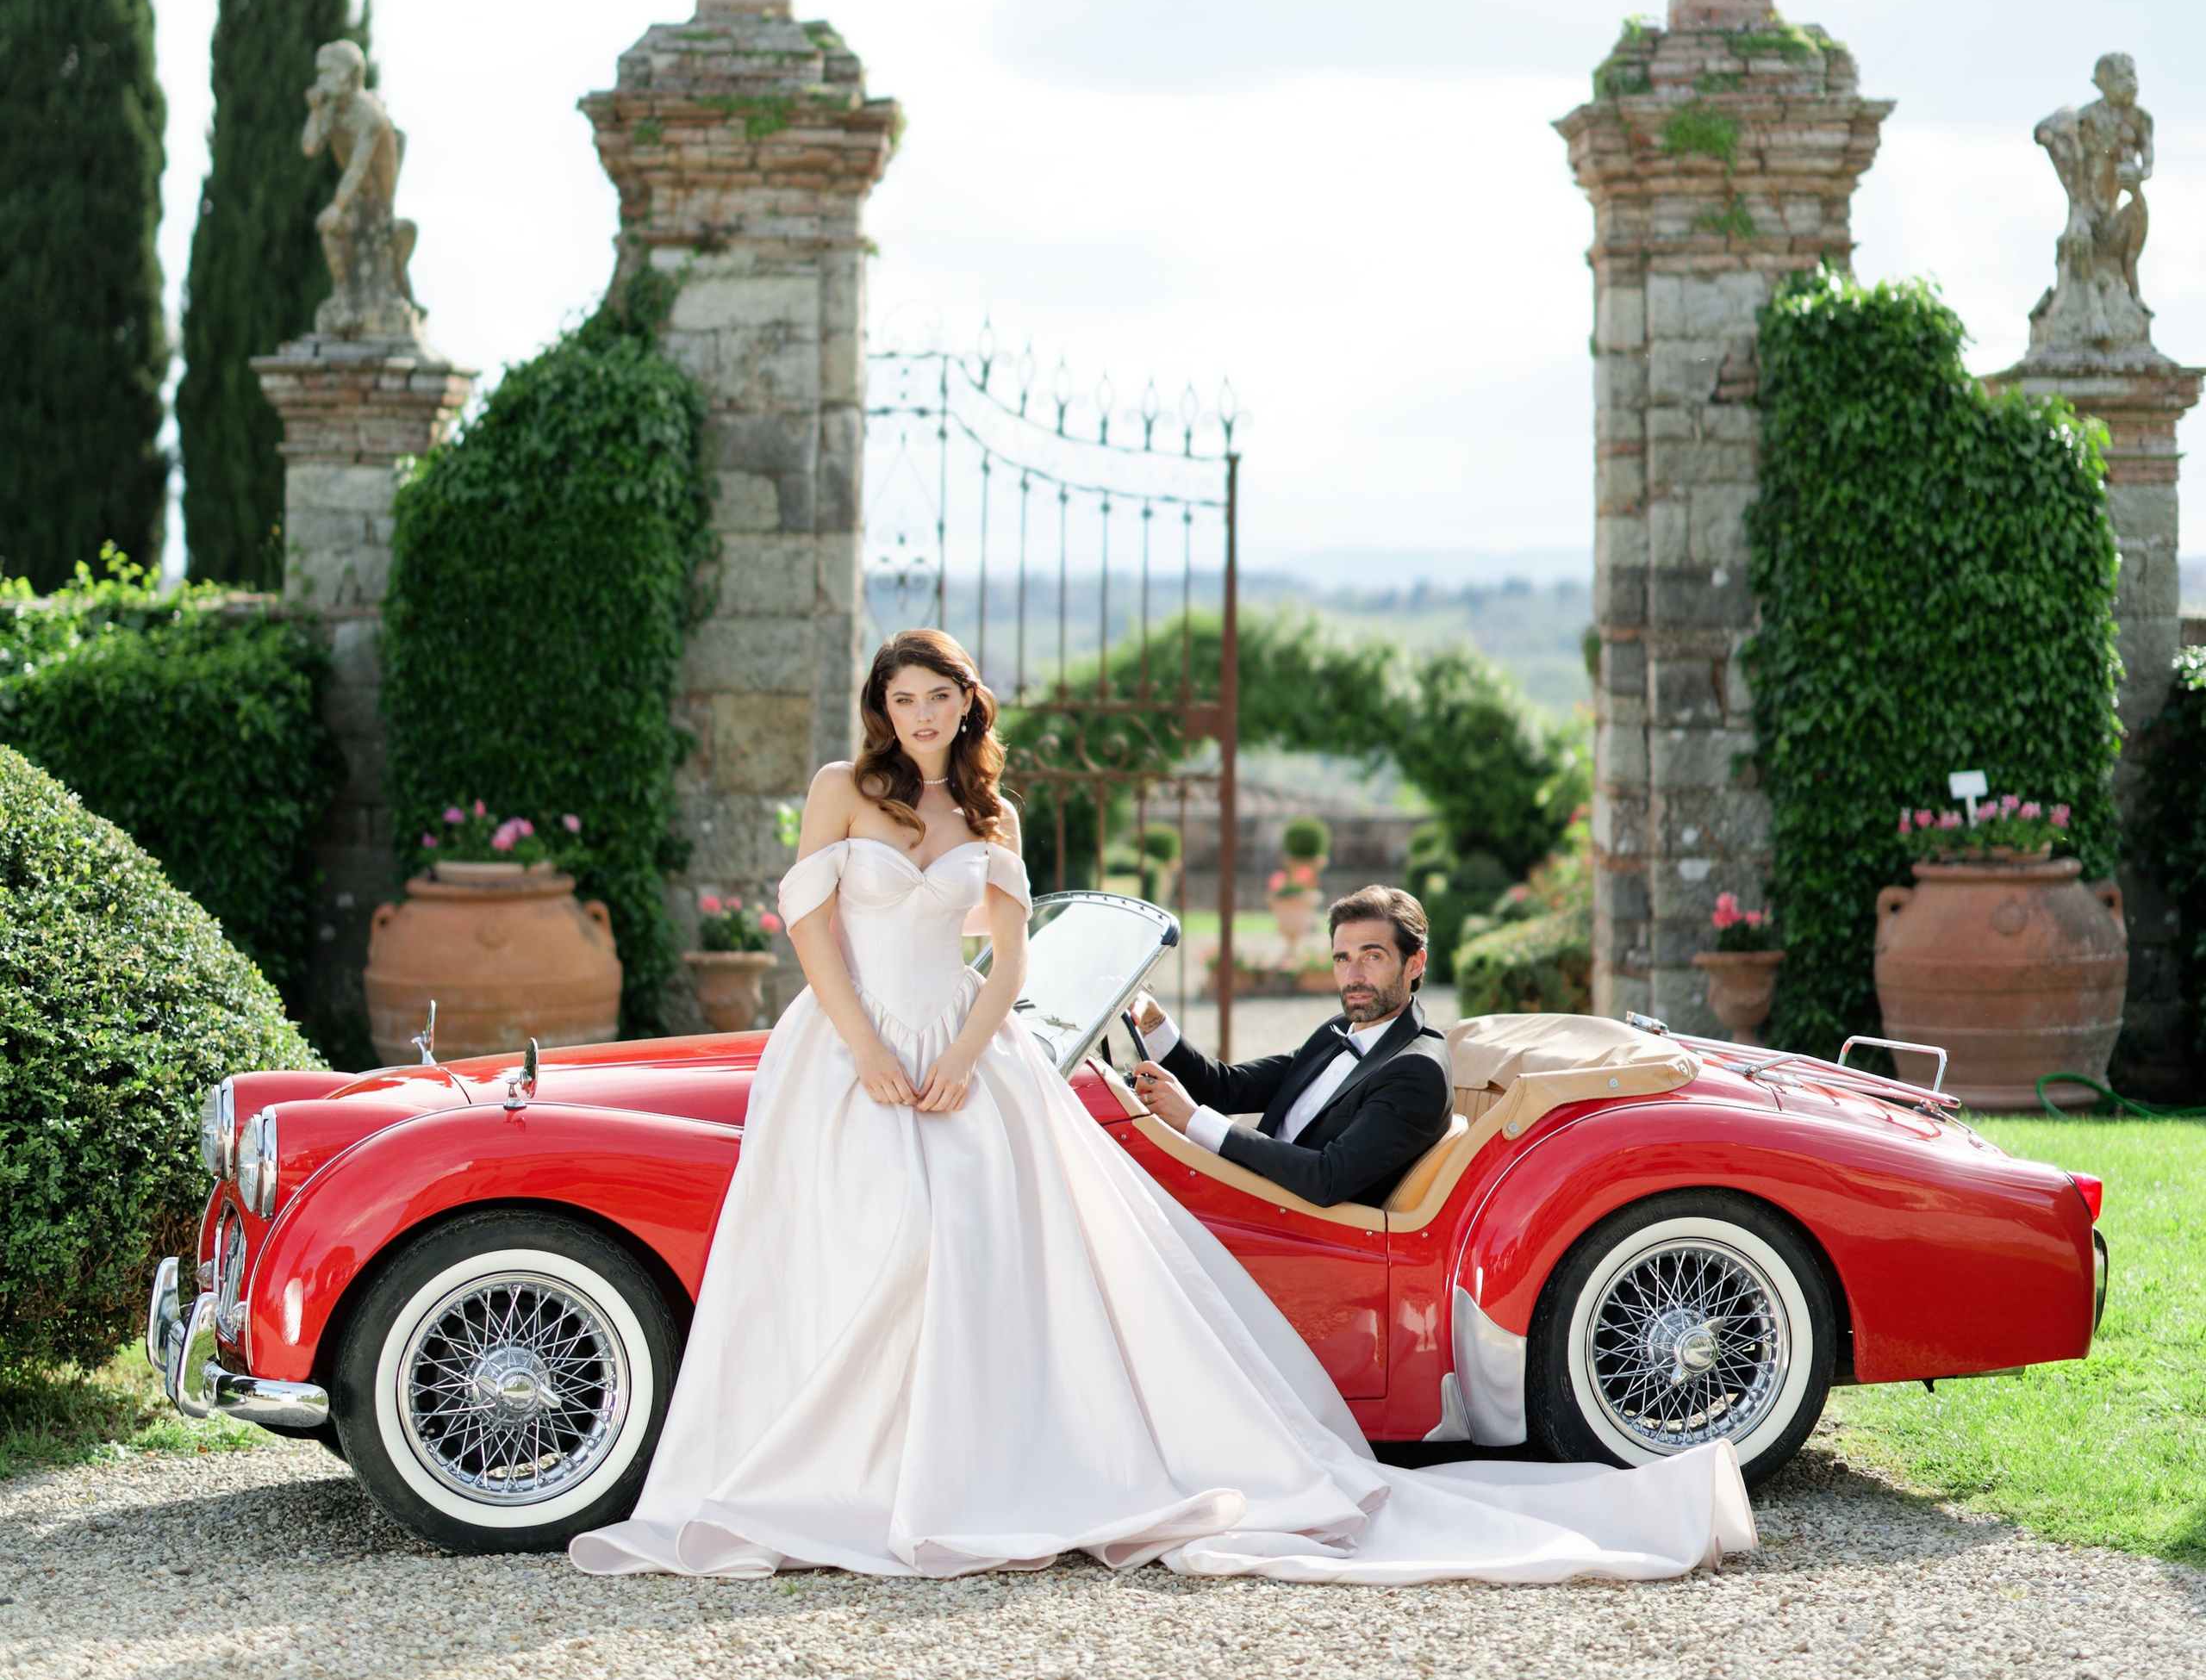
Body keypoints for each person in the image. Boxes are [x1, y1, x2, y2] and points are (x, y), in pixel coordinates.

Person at [570, 628, 1752, 1588]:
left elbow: (1012, 964)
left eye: (939, 697)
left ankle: (963, 1474)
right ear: (882, 707)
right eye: (903, 696)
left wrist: (971, 1053)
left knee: (968, 1259)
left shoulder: (992, 818)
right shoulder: (842, 790)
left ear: (966, 709)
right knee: (857, 1252)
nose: (920, 714)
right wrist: (871, 1049)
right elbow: (810, 928)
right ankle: (843, 1475)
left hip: (971, 1052)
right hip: (849, 1046)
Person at [1125, 887, 1451, 1207]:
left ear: (1414, 964)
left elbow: (1328, 1177)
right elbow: (1225, 1088)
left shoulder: (1417, 1070)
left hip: (1293, 1236)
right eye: (1342, 958)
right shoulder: (1338, 1032)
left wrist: (1194, 1120)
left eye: (1373, 956)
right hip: (1237, 1200)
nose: (1353, 976)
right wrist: (1154, 1023)